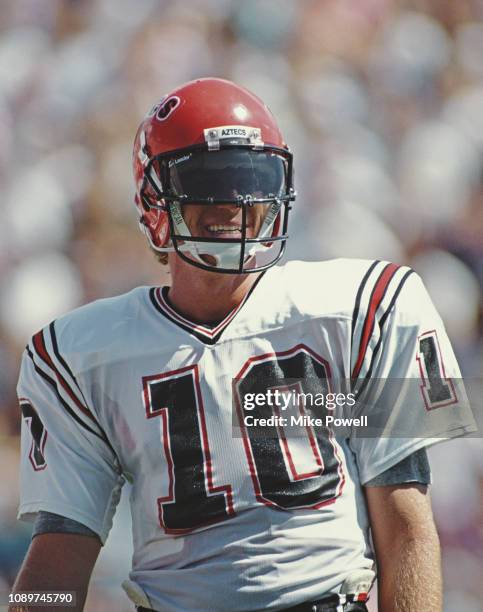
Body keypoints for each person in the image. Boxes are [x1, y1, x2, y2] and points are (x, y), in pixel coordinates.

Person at [12, 78, 475, 612]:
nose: (234, 203)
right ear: (155, 199)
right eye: (210, 183)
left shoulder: (358, 312)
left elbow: (408, 530)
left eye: (251, 181)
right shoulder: (81, 356)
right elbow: (58, 565)